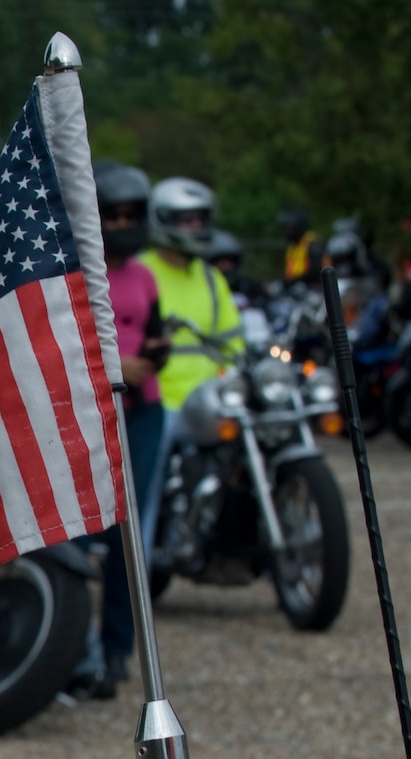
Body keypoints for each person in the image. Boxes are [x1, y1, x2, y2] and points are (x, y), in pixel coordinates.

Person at [65, 161, 172, 700]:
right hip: (90, 409)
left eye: (133, 214)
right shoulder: (74, 272)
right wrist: (113, 368)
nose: (125, 223)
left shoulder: (146, 275)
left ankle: (117, 649)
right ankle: (73, 645)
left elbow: (154, 337)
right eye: (115, 214)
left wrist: (155, 355)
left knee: (132, 535)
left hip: (144, 412)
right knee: (83, 534)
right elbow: (62, 341)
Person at [139, 178, 240, 544]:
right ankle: (141, 573)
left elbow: (235, 340)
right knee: (145, 489)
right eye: (187, 220)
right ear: (162, 220)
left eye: (201, 219)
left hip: (211, 399)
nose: (196, 227)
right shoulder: (140, 271)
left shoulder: (212, 278)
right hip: (162, 401)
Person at [206, 229, 252, 308]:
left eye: (230, 263)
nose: (227, 267)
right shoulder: (206, 287)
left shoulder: (245, 285)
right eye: (222, 263)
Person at [280, 207, 327, 283]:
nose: (287, 232)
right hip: (297, 287)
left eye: (289, 229)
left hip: (313, 288)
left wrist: (296, 280)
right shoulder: (293, 247)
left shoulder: (312, 243)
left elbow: (317, 271)